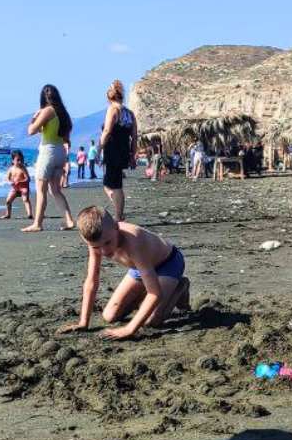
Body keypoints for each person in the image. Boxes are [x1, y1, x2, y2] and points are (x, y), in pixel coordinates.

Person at [58, 206, 191, 340]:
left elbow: (155, 293)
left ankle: (180, 286)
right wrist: (83, 322)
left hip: (168, 263)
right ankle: (147, 290)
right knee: (109, 316)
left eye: (107, 243)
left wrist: (129, 329)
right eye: (96, 247)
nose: (104, 251)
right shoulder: (96, 239)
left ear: (116, 227)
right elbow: (92, 281)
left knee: (151, 321)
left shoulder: (133, 240)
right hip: (139, 269)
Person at [22, 84, 77, 232]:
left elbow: (31, 131)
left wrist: (34, 118)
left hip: (48, 152)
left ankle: (37, 223)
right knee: (55, 190)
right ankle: (69, 220)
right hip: (60, 152)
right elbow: (66, 138)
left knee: (41, 189)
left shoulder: (48, 110)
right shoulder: (63, 113)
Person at [99, 80, 138, 222]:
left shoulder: (113, 110)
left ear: (109, 98)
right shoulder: (130, 114)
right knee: (114, 183)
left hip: (112, 150)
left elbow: (107, 130)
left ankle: (118, 215)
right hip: (123, 151)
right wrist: (133, 155)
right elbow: (134, 137)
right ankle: (118, 212)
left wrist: (99, 148)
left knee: (112, 185)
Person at [1, 149, 33, 219]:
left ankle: (29, 214)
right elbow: (7, 178)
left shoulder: (23, 168)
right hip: (14, 188)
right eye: (18, 160)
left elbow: (28, 179)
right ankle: (7, 214)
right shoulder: (11, 169)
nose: (20, 162)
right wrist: (10, 181)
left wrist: (21, 181)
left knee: (25, 200)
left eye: (21, 160)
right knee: (8, 201)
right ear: (13, 161)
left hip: (23, 187)